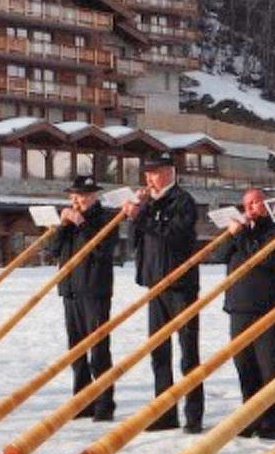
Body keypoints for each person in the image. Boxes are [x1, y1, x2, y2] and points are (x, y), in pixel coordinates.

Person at [126, 152, 204, 432]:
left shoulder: (183, 201)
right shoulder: (148, 203)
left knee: (188, 353)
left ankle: (193, 415)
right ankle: (164, 413)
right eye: (147, 173)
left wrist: (144, 218)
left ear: (170, 172)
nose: (150, 178)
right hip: (154, 284)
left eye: (155, 172)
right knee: (159, 351)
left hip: (180, 286)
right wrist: (135, 215)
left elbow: (176, 236)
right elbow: (136, 242)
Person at [222, 187, 275, 440]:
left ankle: (272, 423)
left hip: (265, 307)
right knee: (244, 365)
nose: (252, 207)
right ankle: (249, 418)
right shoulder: (239, 230)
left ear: (267, 205)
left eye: (257, 202)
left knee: (268, 367)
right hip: (238, 306)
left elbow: (265, 259)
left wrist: (240, 237)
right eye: (248, 203)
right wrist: (231, 236)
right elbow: (220, 256)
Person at [51, 177, 118, 421]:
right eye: (75, 196)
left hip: (94, 290)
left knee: (98, 349)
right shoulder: (68, 223)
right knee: (76, 349)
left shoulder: (106, 219)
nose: (78, 201)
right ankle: (82, 401)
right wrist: (62, 226)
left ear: (94, 197)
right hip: (70, 290)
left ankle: (104, 403)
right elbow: (53, 250)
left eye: (83, 196)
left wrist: (82, 224)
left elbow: (103, 250)